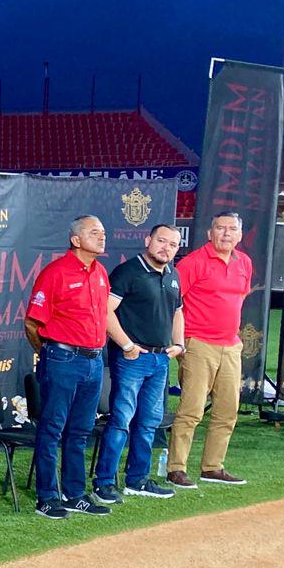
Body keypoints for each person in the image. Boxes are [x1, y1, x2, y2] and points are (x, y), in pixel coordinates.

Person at [24, 215, 113, 518]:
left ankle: (75, 493)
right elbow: (32, 322)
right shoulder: (56, 273)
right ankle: (47, 496)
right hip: (63, 358)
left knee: (81, 430)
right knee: (52, 428)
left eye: (103, 232)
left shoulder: (101, 272)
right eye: (94, 232)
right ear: (76, 240)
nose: (102, 237)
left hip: (94, 359)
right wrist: (51, 353)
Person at [93, 223, 185, 502]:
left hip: (160, 360)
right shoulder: (128, 271)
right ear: (148, 240)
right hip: (132, 359)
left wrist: (179, 344)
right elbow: (106, 311)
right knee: (121, 420)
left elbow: (178, 311)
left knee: (148, 423)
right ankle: (104, 483)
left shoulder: (173, 273)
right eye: (161, 241)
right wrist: (127, 345)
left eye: (172, 244)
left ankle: (138, 480)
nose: (165, 248)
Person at [167, 212, 254, 487]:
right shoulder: (193, 262)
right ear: (209, 233)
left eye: (232, 229)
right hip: (198, 343)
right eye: (220, 228)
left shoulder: (244, 262)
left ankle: (213, 467)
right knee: (191, 410)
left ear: (240, 235)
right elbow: (172, 303)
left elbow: (240, 298)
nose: (226, 234)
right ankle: (176, 467)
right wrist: (181, 342)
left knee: (228, 410)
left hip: (230, 345)